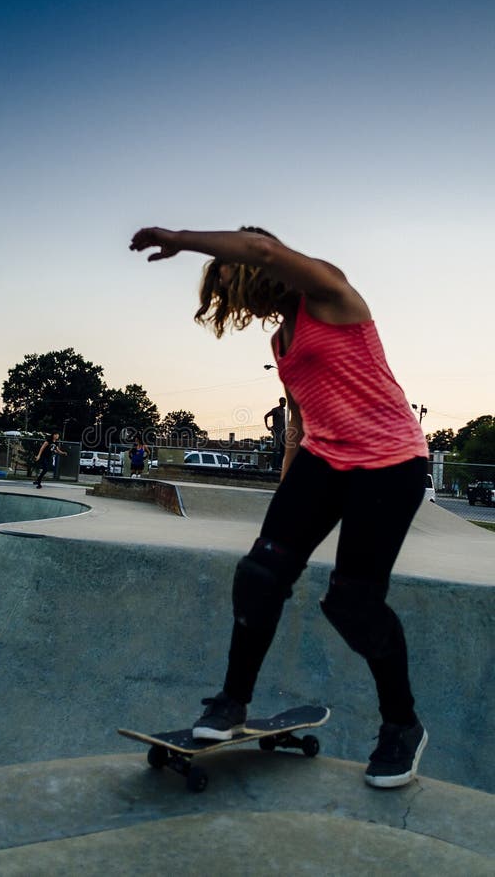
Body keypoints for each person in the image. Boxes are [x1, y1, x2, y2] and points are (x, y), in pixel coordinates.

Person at [130, 224, 430, 789]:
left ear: (258, 270)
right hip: (325, 459)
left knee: (353, 602)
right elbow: (299, 425)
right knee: (261, 572)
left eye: (231, 278)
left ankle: (402, 725)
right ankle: (231, 702)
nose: (233, 297)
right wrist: (287, 505)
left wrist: (184, 239)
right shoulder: (280, 342)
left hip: (389, 460)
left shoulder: (329, 292)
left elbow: (267, 249)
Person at [264, 397, 287, 470]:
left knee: (284, 448)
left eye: (285, 402)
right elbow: (266, 416)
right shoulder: (275, 410)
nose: (284, 403)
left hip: (283, 432)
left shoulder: (284, 411)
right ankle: (275, 466)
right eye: (283, 401)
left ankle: (280, 465)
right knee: (276, 449)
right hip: (276, 432)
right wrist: (267, 427)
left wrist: (286, 430)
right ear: (280, 402)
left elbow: (283, 422)